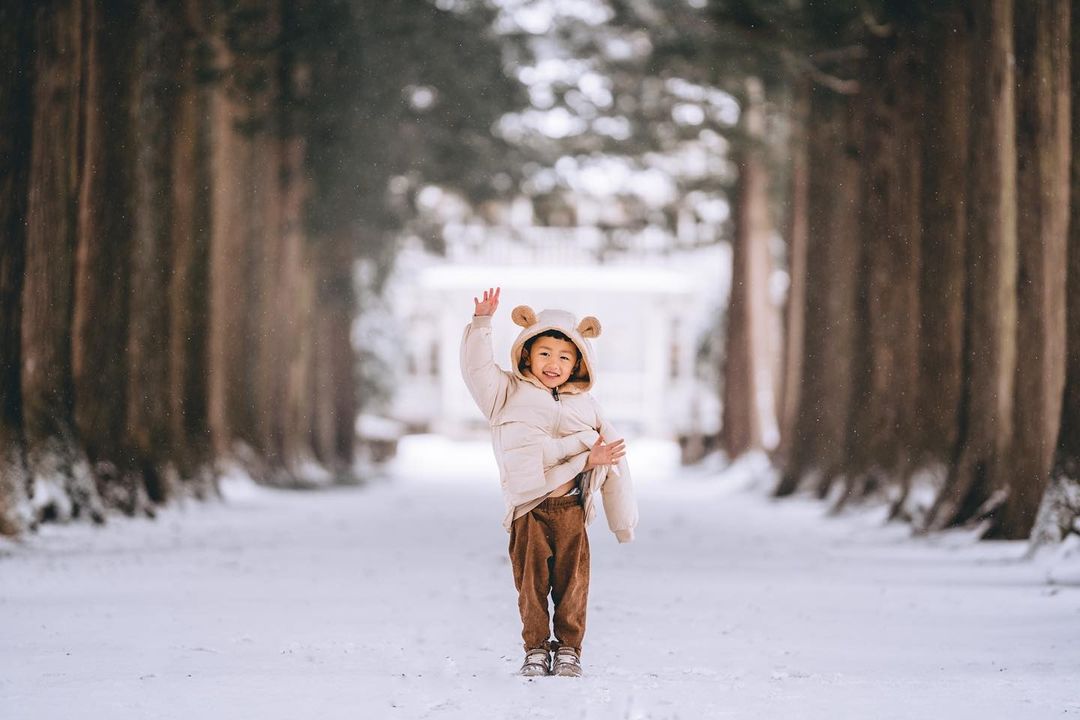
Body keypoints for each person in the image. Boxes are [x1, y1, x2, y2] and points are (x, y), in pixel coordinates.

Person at [460, 286, 638, 678]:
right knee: (531, 586)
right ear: (526, 353)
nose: (553, 363)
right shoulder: (505, 393)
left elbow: (615, 464)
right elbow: (476, 370)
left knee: (573, 586)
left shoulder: (587, 406)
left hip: (571, 508)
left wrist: (622, 522)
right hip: (529, 509)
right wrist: (482, 323)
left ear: (578, 363)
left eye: (564, 356)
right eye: (544, 353)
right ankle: (536, 649)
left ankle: (570, 649)